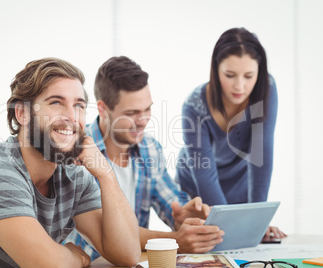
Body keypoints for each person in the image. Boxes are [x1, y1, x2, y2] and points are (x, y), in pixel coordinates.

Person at [0, 57, 141, 267]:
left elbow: (127, 254)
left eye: (79, 106)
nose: (71, 117)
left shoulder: (73, 176)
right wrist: (75, 257)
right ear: (22, 113)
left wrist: (106, 175)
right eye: (56, 102)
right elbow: (49, 265)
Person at [63, 56, 224, 260]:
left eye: (148, 109)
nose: (143, 121)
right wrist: (175, 240)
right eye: (131, 113)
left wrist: (183, 217)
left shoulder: (150, 149)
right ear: (103, 109)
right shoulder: (75, 151)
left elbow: (170, 202)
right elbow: (112, 232)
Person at [175, 27, 285, 239]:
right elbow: (204, 175)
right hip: (197, 184)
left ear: (259, 73)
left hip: (239, 179)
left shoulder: (267, 89)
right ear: (215, 70)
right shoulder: (193, 105)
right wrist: (234, 228)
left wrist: (256, 222)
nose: (240, 86)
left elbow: (261, 157)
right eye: (230, 75)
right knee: (210, 243)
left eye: (249, 76)